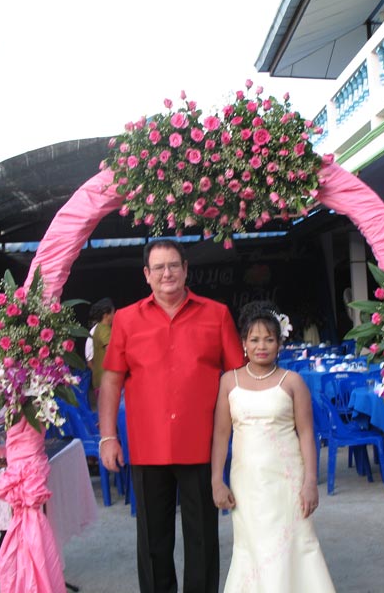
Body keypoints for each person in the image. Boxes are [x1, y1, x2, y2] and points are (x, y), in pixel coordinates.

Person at [98, 239, 244, 593]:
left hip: (201, 444)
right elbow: (111, 380)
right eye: (159, 267)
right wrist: (107, 437)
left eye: (174, 265)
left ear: (186, 269)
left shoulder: (216, 313)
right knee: (152, 542)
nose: (168, 273)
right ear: (147, 275)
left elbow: (238, 376)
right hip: (148, 446)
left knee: (203, 540)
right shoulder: (127, 319)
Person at [210, 301, 336, 592]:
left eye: (269, 339)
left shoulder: (292, 382)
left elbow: (306, 434)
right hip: (247, 483)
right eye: (254, 339)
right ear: (243, 343)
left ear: (280, 343)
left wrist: (310, 482)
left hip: (287, 481)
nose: (261, 346)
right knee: (251, 547)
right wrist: (218, 480)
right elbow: (220, 435)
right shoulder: (229, 382)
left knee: (294, 543)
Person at [89, 297, 115, 396]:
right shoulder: (105, 330)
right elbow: (111, 351)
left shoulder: (98, 328)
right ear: (106, 315)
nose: (114, 315)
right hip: (106, 380)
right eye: (113, 312)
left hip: (99, 379)